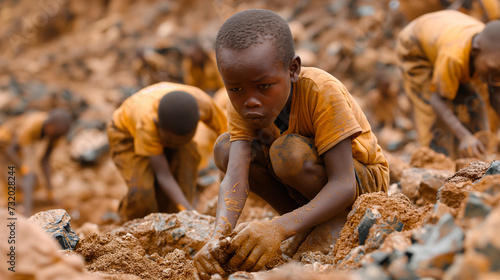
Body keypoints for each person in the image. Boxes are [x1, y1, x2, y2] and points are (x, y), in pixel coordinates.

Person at [193, 9, 389, 279]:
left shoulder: (320, 90)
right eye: (235, 89)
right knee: (225, 149)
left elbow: (344, 184)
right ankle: (307, 222)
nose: (250, 100)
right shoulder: (242, 103)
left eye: (264, 86)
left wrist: (278, 228)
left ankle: (334, 220)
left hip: (359, 186)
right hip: (309, 187)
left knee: (287, 153)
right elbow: (235, 175)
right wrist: (216, 238)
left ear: (293, 69)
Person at [107, 82, 227, 221]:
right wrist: (190, 210)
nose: (172, 147)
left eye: (179, 143)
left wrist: (227, 175)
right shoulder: (147, 123)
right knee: (142, 192)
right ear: (157, 125)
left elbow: (229, 137)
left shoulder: (205, 105)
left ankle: (175, 221)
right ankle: (132, 224)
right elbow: (163, 174)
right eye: (168, 142)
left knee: (187, 164)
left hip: (161, 125)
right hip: (125, 133)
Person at [397, 10, 500, 159]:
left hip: (444, 36)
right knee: (432, 113)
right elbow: (436, 99)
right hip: (416, 48)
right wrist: (464, 136)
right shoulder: (453, 57)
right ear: (475, 52)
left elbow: (495, 93)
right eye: (493, 70)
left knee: (475, 101)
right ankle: (435, 159)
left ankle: (478, 154)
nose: (496, 76)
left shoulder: (491, 55)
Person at [0, 109, 72, 216]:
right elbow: (11, 150)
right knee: (16, 177)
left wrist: (50, 190)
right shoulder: (32, 126)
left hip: (17, 148)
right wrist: (23, 167)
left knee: (31, 178)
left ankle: (21, 207)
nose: (55, 138)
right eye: (55, 135)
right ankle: (19, 211)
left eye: (57, 137)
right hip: (4, 143)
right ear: (49, 125)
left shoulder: (55, 133)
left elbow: (45, 160)